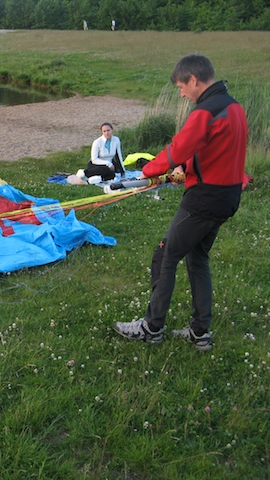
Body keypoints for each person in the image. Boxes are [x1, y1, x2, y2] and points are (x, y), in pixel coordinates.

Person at [113, 54, 248, 351]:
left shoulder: (205, 111)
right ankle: (200, 332)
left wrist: (148, 171)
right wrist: (186, 168)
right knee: (197, 256)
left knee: (166, 256)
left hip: (205, 199)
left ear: (194, 80)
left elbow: (178, 148)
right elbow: (213, 149)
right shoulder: (233, 107)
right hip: (227, 196)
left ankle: (152, 327)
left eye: (181, 87)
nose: (182, 94)